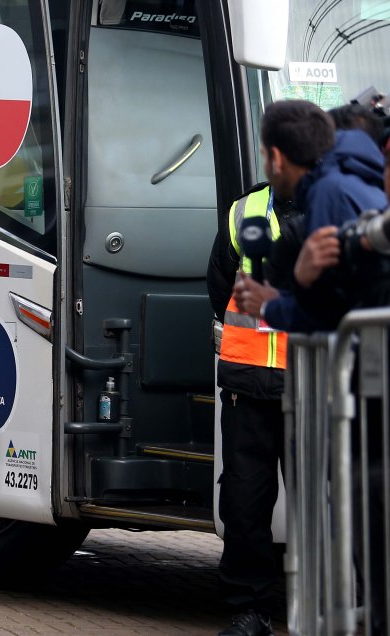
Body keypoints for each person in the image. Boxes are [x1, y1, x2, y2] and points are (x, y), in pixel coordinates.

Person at [207, 180, 297, 636]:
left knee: (328, 506)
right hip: (248, 386)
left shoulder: (339, 206)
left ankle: (340, 606)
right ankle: (249, 611)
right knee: (244, 504)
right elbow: (219, 286)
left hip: (314, 389)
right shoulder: (245, 211)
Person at [233, 100, 387, 330]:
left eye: (264, 156)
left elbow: (332, 310)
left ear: (276, 159)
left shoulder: (328, 191)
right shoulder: (350, 180)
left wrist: (269, 304)